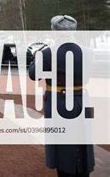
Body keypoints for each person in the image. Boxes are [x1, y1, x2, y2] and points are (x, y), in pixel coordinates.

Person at [28, 15, 94, 176]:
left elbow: (34, 75)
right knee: (83, 139)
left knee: (62, 143)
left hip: (59, 101)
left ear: (55, 31)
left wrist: (36, 57)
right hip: (81, 99)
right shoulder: (87, 51)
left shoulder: (48, 53)